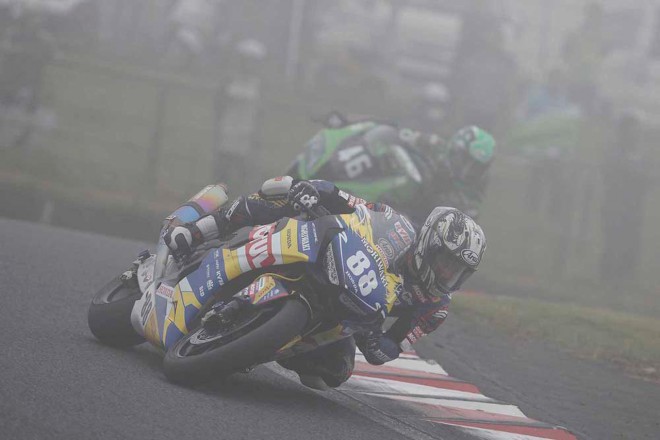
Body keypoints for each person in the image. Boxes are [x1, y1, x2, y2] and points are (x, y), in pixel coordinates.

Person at [164, 176, 486, 389]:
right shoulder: (397, 226)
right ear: (429, 243)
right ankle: (199, 230)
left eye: (459, 271)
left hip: (345, 316)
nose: (448, 275)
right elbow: (344, 199)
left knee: (333, 373)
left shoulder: (435, 307)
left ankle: (254, 346)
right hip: (320, 256)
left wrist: (374, 340)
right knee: (282, 189)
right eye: (446, 263)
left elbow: (390, 347)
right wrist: (313, 190)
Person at [288, 114, 495, 222]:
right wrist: (350, 122)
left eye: (475, 167)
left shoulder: (471, 198)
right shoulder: (437, 145)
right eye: (465, 161)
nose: (467, 170)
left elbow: (455, 223)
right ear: (454, 150)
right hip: (400, 192)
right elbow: (401, 133)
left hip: (415, 224)